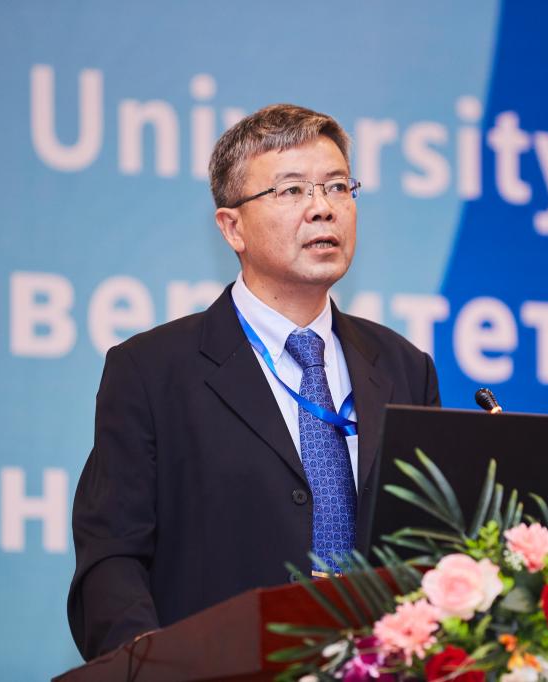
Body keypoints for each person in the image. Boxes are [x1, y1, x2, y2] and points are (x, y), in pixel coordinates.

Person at [67, 104, 440, 661]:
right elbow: (112, 557)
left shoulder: (405, 368)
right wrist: (152, 667)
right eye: (292, 191)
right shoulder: (152, 370)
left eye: (338, 186)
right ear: (232, 227)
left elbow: (428, 549)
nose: (323, 208)